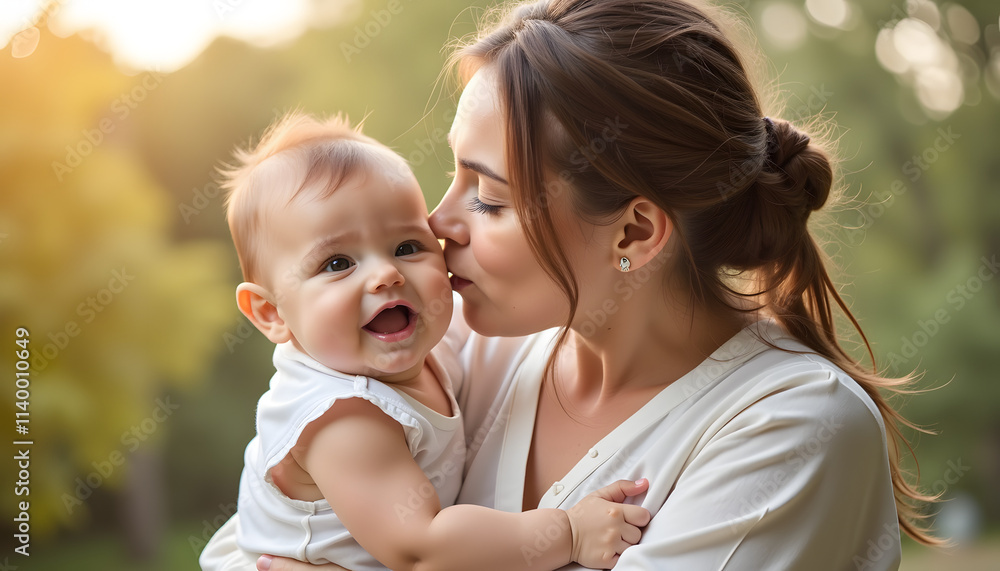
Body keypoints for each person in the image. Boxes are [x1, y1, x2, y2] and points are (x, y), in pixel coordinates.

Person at [202, 0, 941, 569]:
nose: (436, 222)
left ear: (633, 233)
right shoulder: (454, 352)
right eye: (452, 175)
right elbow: (255, 538)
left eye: (487, 198)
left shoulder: (790, 431)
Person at [204, 111, 651, 571]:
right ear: (272, 313)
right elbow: (423, 547)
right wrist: (568, 533)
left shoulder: (432, 340)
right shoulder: (342, 415)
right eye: (337, 264)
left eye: (406, 247)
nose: (386, 274)